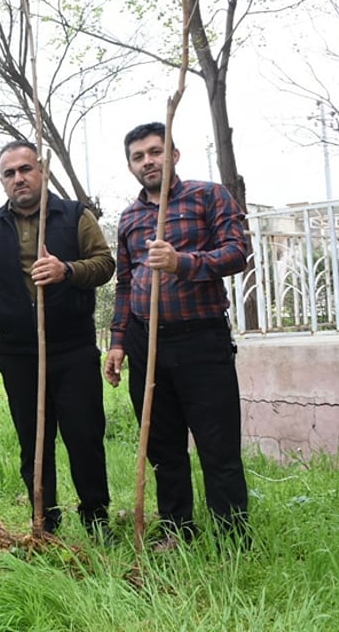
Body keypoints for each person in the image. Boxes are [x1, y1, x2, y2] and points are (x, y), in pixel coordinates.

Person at [104, 121, 250, 549]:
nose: (148, 161)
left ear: (174, 154)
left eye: (155, 151)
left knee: (217, 446)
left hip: (201, 340)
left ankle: (232, 539)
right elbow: (127, 283)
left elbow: (238, 251)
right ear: (131, 165)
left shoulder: (208, 196)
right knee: (163, 447)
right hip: (145, 342)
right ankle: (177, 530)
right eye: (138, 156)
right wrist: (117, 342)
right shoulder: (130, 217)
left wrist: (181, 263)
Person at [0, 140, 115, 540]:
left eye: (25, 169)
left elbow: (105, 264)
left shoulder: (74, 215)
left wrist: (67, 269)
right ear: (2, 181)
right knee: (33, 440)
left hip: (73, 346)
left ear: (42, 170)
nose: (19, 179)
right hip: (19, 351)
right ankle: (44, 522)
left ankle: (96, 519)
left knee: (84, 435)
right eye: (10, 173)